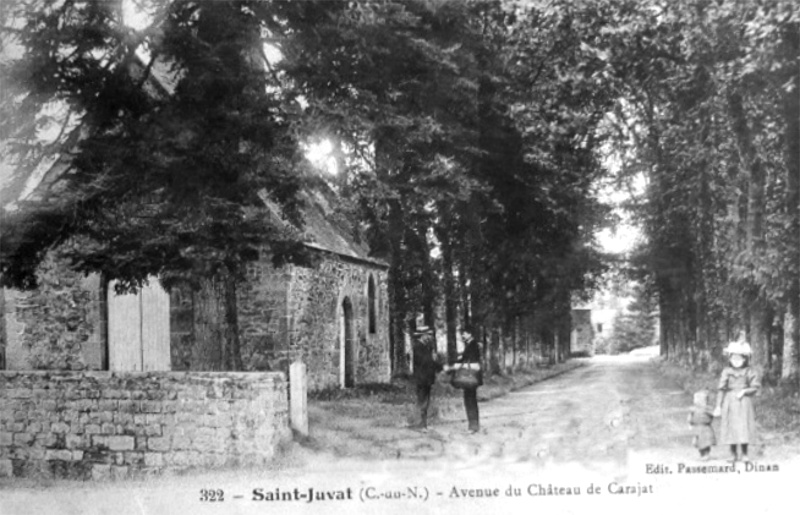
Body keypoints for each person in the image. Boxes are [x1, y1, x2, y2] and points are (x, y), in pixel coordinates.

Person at [713, 340, 760, 463]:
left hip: (744, 402)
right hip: (730, 402)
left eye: (739, 359)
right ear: (729, 359)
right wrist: (718, 406)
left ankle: (744, 454)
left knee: (744, 426)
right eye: (733, 359)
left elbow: (755, 387)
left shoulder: (749, 371)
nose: (736, 361)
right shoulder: (726, 371)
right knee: (731, 427)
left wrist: (745, 391)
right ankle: (733, 454)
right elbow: (721, 389)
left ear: (745, 359)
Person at [410, 326, 441, 432]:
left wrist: (436, 362)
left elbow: (433, 363)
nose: (430, 337)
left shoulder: (427, 346)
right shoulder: (418, 346)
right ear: (423, 335)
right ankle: (420, 424)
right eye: (428, 334)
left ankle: (423, 424)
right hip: (421, 378)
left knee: (426, 401)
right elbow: (422, 362)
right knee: (422, 401)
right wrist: (432, 358)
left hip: (427, 378)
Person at [456, 331, 483, 434]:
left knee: (470, 400)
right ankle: (474, 424)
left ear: (470, 334)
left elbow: (470, 360)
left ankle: (473, 426)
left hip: (470, 376)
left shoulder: (473, 345)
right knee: (470, 400)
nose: (462, 335)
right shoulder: (472, 344)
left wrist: (459, 361)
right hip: (471, 376)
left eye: (464, 333)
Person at [687, 388, 715, 460]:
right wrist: (690, 424)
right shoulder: (693, 409)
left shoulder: (707, 408)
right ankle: (702, 454)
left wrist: (710, 419)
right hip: (697, 427)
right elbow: (690, 417)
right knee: (698, 442)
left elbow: (712, 415)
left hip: (706, 427)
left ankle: (706, 454)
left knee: (706, 441)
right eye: (696, 399)